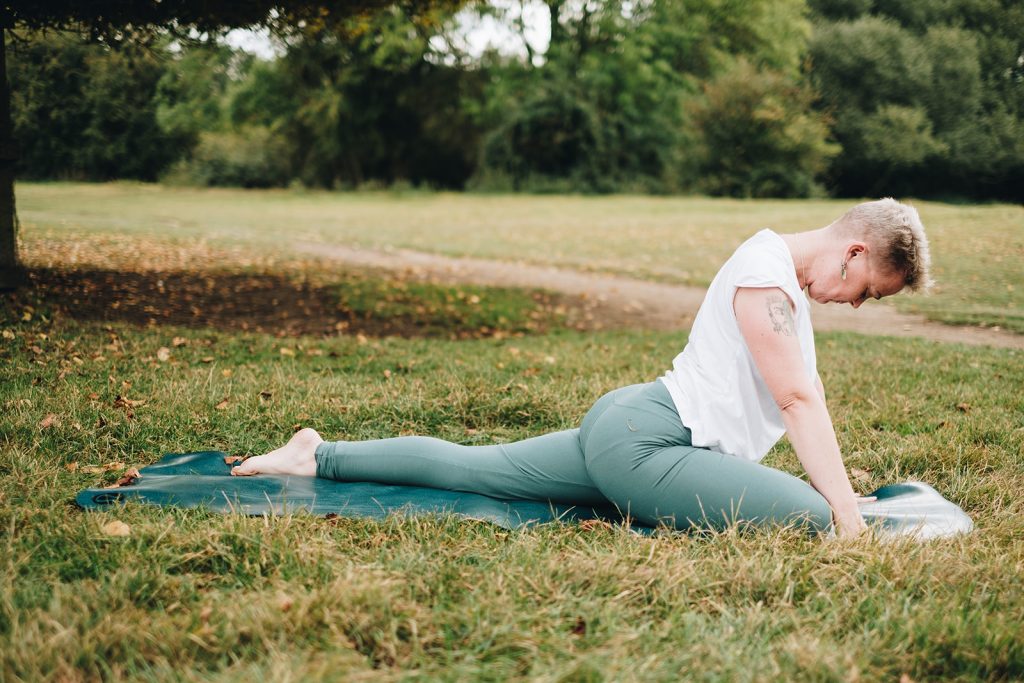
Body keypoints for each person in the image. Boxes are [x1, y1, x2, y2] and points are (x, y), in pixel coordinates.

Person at [232, 198, 931, 539]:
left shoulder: (771, 266)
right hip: (648, 442)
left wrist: (844, 493)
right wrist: (842, 509)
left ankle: (317, 454)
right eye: (867, 292)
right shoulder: (767, 278)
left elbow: (798, 398)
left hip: (632, 424)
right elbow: (798, 398)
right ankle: (318, 456)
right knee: (811, 523)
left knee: (477, 468)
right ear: (856, 254)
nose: (853, 302)